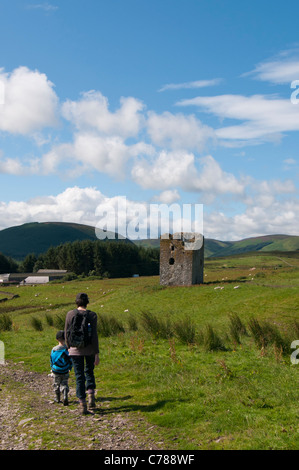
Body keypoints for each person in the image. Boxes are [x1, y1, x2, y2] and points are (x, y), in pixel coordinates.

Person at [65, 293, 99, 415]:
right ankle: (91, 397)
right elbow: (94, 336)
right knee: (89, 371)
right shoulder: (92, 315)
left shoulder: (70, 314)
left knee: (79, 376)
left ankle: (82, 404)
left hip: (74, 350)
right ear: (87, 302)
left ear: (77, 302)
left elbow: (66, 332)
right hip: (89, 349)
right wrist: (96, 353)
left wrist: (69, 348)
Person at [50, 330, 72, 406]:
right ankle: (65, 393)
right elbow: (70, 360)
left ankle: (57, 398)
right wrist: (70, 367)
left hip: (56, 370)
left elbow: (52, 360)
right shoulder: (68, 349)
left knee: (56, 384)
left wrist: (52, 368)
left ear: (57, 339)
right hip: (65, 370)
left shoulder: (54, 349)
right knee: (64, 383)